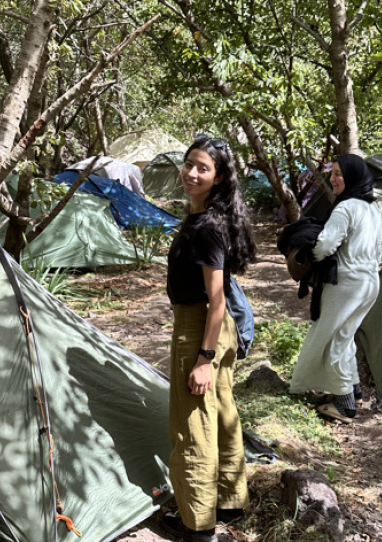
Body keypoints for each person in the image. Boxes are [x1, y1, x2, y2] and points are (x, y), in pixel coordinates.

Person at [163, 134, 256, 542]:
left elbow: (216, 301)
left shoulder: (206, 227)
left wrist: (203, 358)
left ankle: (197, 526)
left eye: (203, 168)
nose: (192, 173)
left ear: (218, 178)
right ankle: (230, 502)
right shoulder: (204, 217)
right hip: (214, 329)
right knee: (221, 414)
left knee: (193, 426)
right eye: (189, 164)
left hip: (200, 326)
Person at [288, 154, 382, 423]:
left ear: (353, 176)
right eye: (332, 173)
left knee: (331, 341)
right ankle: (352, 391)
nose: (332, 179)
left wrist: (310, 260)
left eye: (339, 173)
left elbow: (326, 245)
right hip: (369, 283)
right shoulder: (372, 208)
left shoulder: (345, 208)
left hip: (346, 284)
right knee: (344, 338)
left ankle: (345, 406)